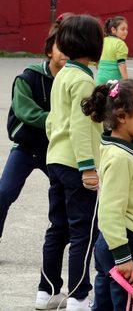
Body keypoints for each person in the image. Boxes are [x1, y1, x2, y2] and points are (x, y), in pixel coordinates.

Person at [37, 14, 104, 311]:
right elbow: (80, 126)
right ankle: (78, 296)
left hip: (57, 159)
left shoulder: (63, 74)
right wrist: (88, 166)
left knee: (58, 227)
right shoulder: (83, 79)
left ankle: (47, 291)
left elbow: (54, 121)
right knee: (82, 233)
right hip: (78, 165)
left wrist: (56, 150)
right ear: (93, 43)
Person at [81, 79, 133, 311]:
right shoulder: (120, 158)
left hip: (114, 243)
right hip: (125, 245)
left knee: (105, 305)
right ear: (121, 116)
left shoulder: (124, 146)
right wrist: (123, 257)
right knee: (127, 305)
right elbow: (109, 211)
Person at [0, 23, 66, 246]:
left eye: (70, 48)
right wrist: (62, 120)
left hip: (56, 149)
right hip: (26, 148)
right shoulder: (28, 77)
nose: (66, 52)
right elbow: (27, 113)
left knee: (76, 195)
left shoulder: (73, 80)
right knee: (3, 193)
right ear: (49, 51)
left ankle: (83, 243)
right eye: (61, 47)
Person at [96, 16, 129, 85]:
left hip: (100, 79)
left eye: (127, 29)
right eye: (123, 29)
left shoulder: (103, 41)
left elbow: (97, 61)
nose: (126, 32)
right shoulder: (120, 44)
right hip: (113, 80)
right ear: (113, 30)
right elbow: (121, 64)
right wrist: (127, 81)